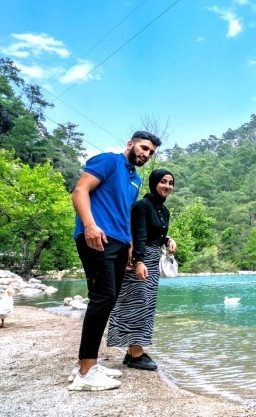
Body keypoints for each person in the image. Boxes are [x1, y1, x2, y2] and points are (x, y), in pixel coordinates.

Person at [68, 131, 161, 391]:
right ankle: (86, 372)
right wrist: (89, 225)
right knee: (103, 298)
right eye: (144, 148)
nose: (146, 154)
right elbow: (79, 191)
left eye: (151, 152)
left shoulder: (136, 179)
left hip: (120, 243)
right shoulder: (108, 161)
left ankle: (86, 364)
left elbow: (125, 213)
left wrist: (131, 246)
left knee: (106, 299)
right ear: (131, 144)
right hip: (98, 238)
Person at [107, 169, 176, 371]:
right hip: (140, 258)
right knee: (136, 304)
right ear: (154, 183)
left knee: (146, 305)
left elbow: (156, 235)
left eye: (171, 183)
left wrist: (168, 239)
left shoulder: (164, 210)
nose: (167, 186)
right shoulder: (141, 206)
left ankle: (131, 353)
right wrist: (139, 260)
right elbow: (138, 233)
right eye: (163, 182)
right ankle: (136, 354)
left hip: (153, 258)